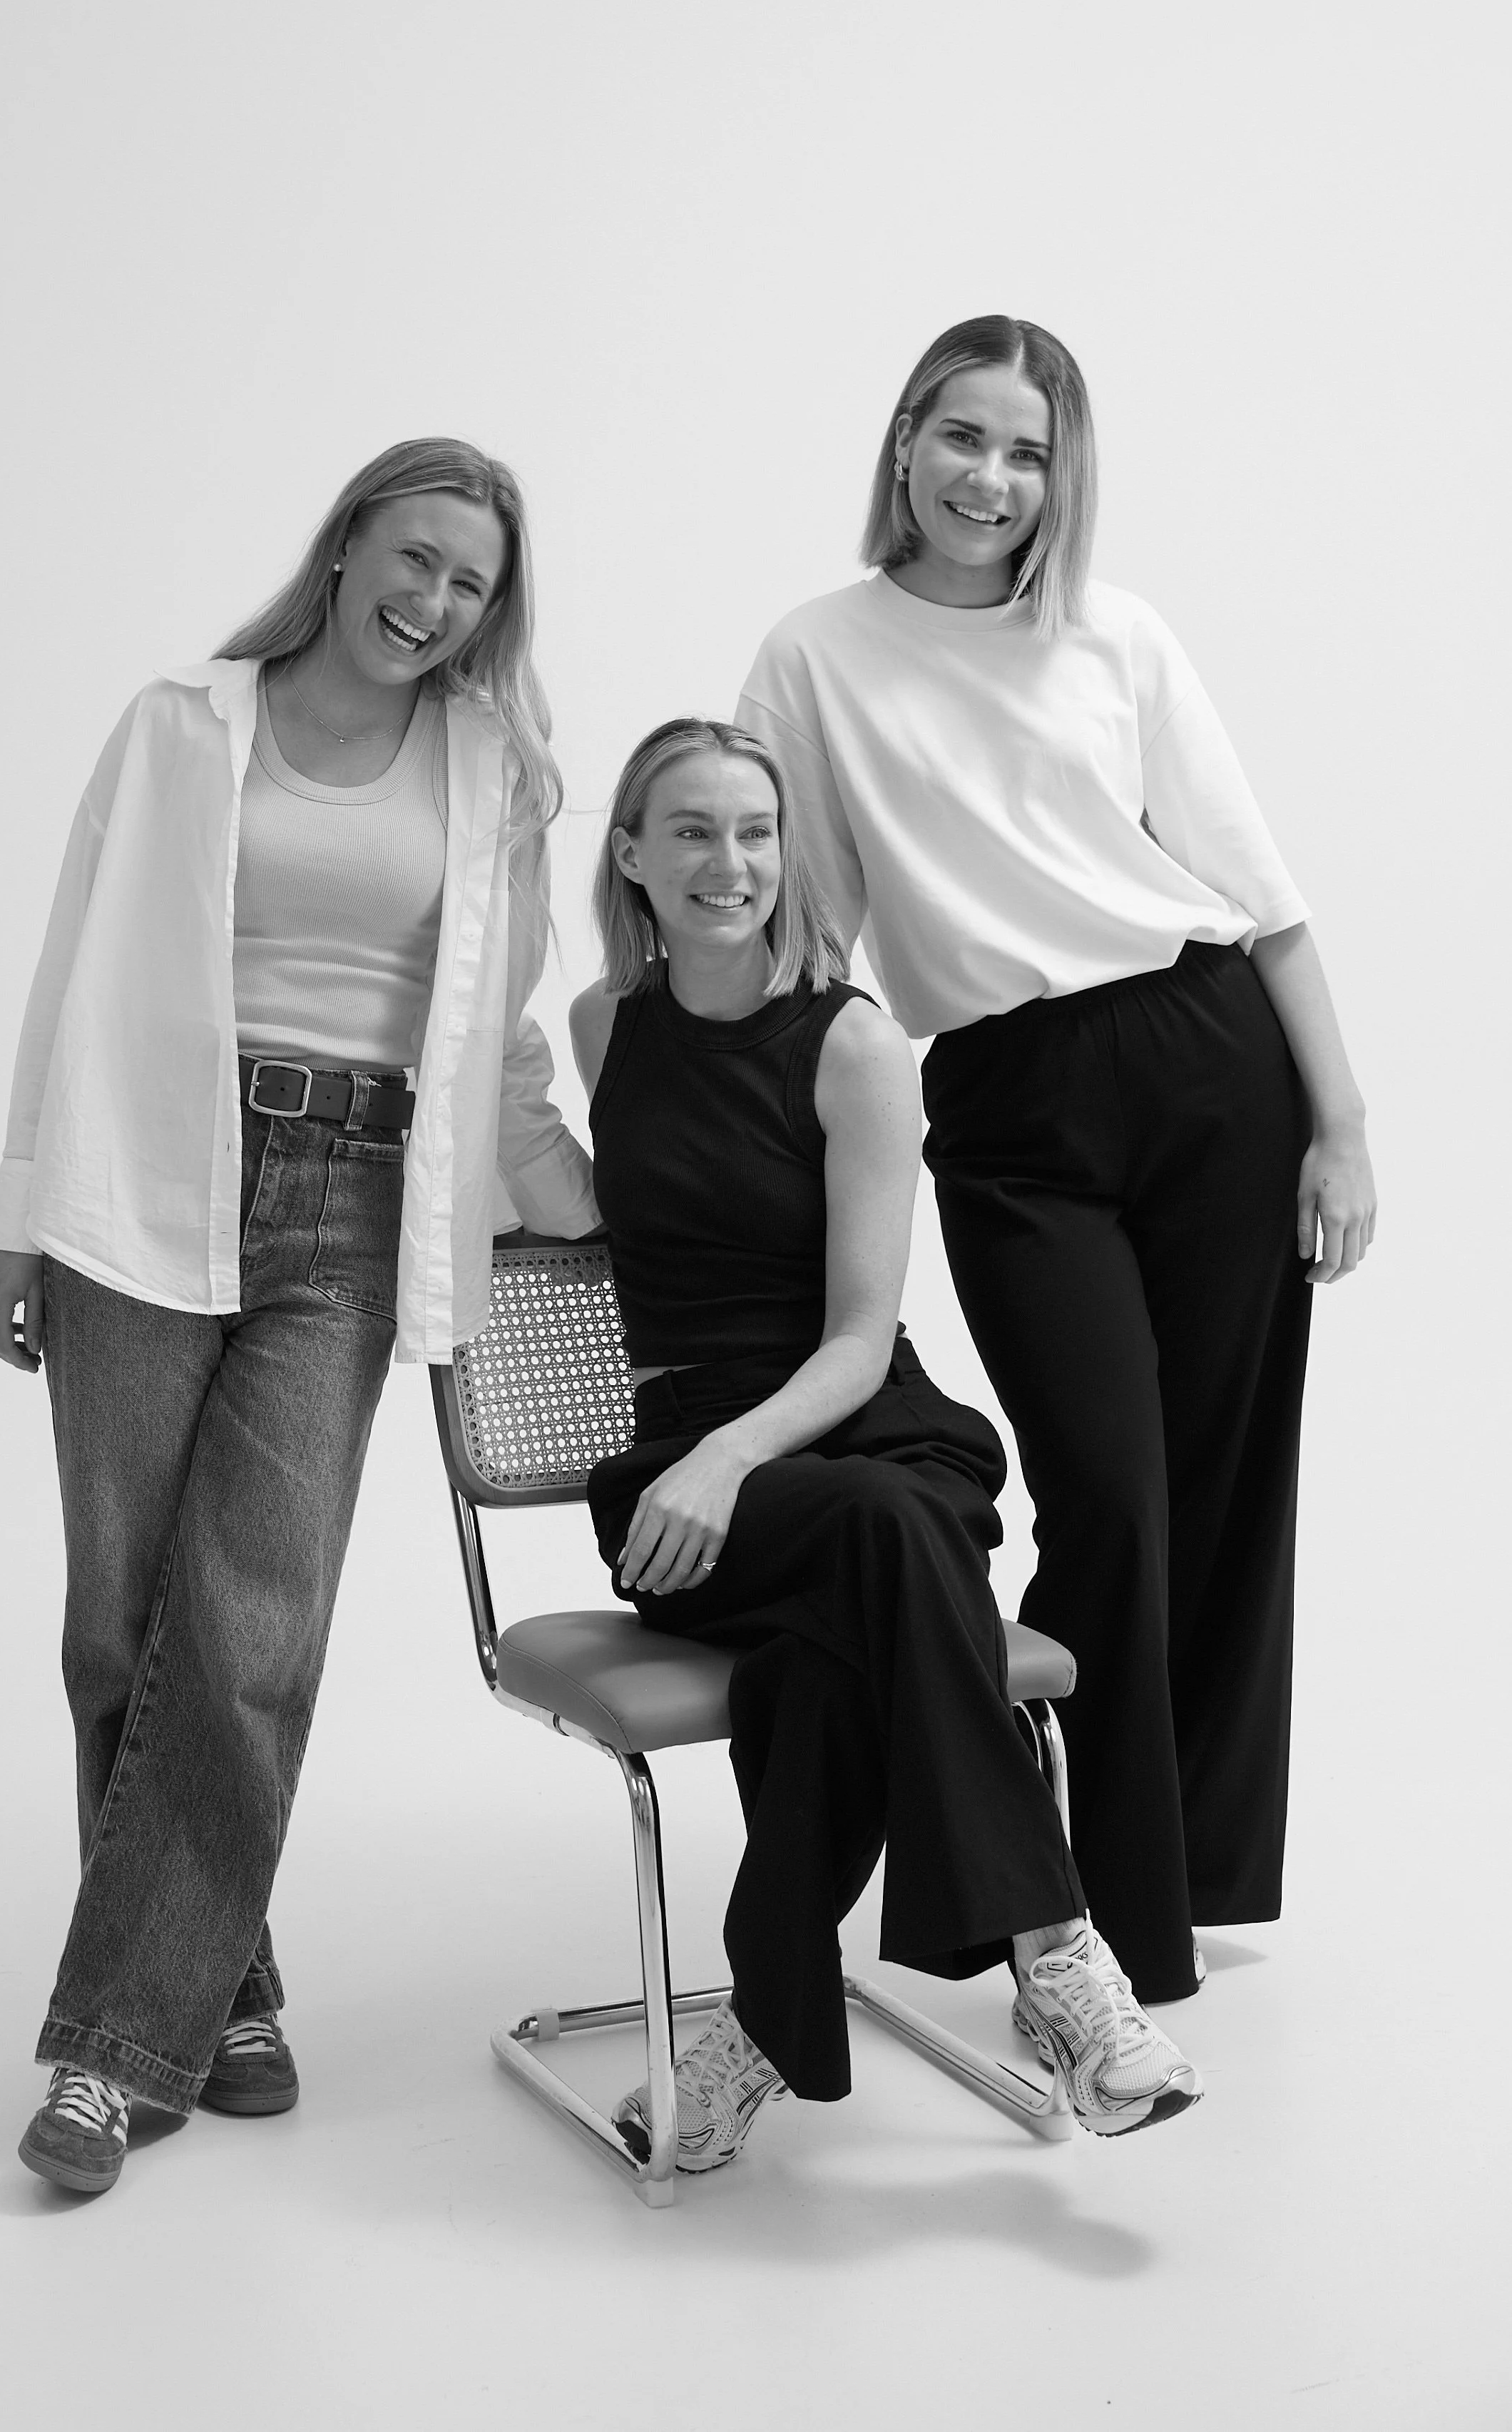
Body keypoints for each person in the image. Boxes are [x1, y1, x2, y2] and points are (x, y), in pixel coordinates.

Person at [0, 438, 596, 2197]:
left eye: (469, 583)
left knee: (248, 1625)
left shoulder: (494, 768)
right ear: (342, 550)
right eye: (413, 559)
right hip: (141, 1183)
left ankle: (110, 2056)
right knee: (120, 1627)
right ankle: (223, 1984)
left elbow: (500, 1032)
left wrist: (596, 1202)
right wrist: (16, 1221)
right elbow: (69, 971)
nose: (433, 602)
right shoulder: (181, 722)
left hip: (351, 1206)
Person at [735, 316, 1376, 2009]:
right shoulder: (814, 652)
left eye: (1026, 453)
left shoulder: (1114, 632)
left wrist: (1341, 1124)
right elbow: (803, 919)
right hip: (1007, 1100)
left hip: (1205, 1056)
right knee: (1105, 1489)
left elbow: (1259, 892)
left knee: (1220, 1483)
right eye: (962, 437)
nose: (989, 478)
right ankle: (1081, 1919)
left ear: (1058, 477)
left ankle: (1184, 1879)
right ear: (902, 442)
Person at [567, 716, 1201, 2175]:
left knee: (844, 1615)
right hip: (687, 1484)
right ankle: (1056, 1956)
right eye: (691, 830)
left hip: (859, 1433)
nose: (729, 862)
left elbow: (859, 1340)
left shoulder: (852, 1044)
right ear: (632, 855)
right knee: (879, 1563)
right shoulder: (605, 1027)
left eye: (755, 831)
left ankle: (762, 2034)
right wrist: (706, 1463)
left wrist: (731, 1455)